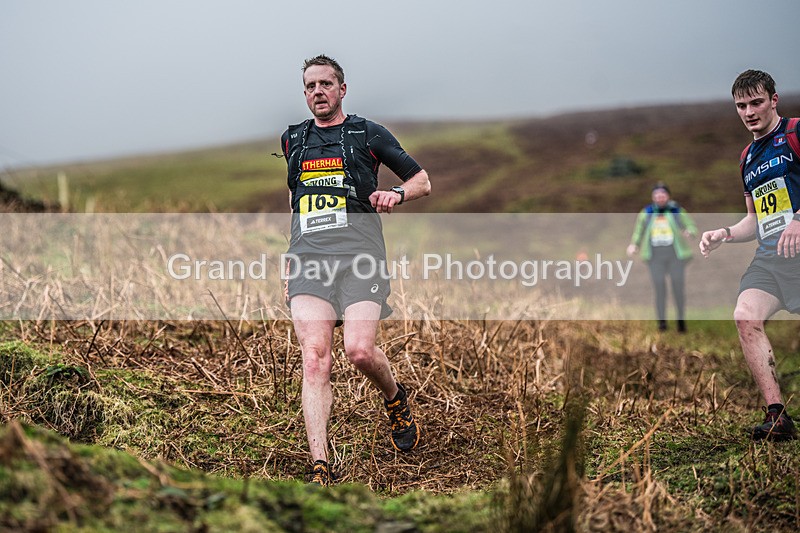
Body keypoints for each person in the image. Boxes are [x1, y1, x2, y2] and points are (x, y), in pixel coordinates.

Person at [280, 55, 430, 485]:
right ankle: (320, 465)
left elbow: (422, 180)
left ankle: (395, 397)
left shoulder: (367, 133)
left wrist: (396, 195)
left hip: (360, 258)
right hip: (309, 260)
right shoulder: (294, 140)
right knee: (314, 359)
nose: (318, 92)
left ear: (342, 89)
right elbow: (298, 202)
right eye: (310, 86)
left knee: (359, 351)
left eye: (326, 84)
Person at [699, 69, 800, 442]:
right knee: (745, 316)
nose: (749, 112)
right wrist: (724, 233)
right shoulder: (747, 157)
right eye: (741, 105)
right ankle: (778, 416)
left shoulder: (795, 132)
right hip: (771, 259)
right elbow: (755, 220)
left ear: (774, 99)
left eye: (756, 102)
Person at [627, 183, 697, 332]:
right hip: (655, 257)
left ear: (668, 196)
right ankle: (662, 323)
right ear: (653, 197)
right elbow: (638, 231)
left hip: (675, 255)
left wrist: (689, 232)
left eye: (663, 195)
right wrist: (634, 245)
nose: (660, 198)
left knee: (678, 287)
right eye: (657, 195)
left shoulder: (676, 211)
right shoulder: (647, 213)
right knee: (659, 288)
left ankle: (681, 321)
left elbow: (690, 226)